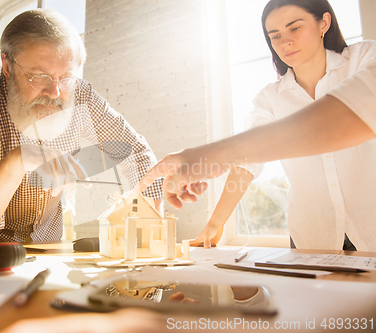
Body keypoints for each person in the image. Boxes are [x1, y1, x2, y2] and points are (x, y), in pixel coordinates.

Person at [139, 0, 376, 252]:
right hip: (313, 237)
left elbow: (358, 108)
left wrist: (212, 155)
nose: (285, 42)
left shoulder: (362, 59)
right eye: (275, 36)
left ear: (323, 23)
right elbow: (246, 164)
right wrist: (215, 224)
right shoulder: (269, 98)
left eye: (294, 28)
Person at [0, 9, 163, 244]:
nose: (55, 92)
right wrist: (17, 161)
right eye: (39, 76)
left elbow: (135, 150)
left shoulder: (81, 96)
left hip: (50, 250)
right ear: (7, 66)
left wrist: (150, 229)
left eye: (66, 78)